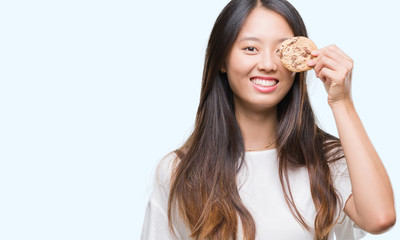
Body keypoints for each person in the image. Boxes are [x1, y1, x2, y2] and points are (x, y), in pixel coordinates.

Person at [140, 0, 396, 239]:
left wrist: (342, 102)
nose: (268, 64)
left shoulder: (325, 160)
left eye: (280, 50)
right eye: (251, 48)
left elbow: (380, 218)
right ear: (222, 61)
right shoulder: (180, 171)